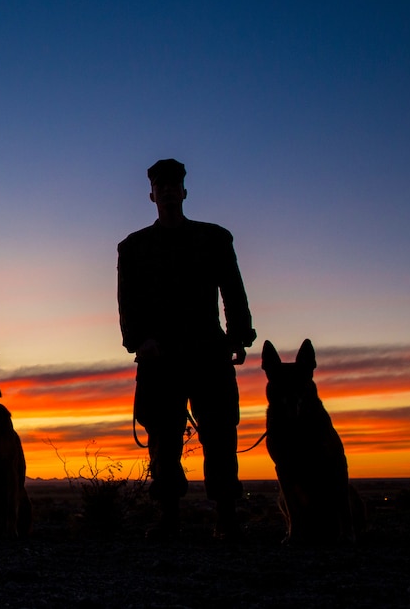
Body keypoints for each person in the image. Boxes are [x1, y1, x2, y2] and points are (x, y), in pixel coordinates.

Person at [117, 158, 256, 540]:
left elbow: (233, 290)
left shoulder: (214, 239)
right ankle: (168, 517)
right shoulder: (133, 248)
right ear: (152, 194)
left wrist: (239, 336)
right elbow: (127, 302)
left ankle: (226, 517)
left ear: (184, 191)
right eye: (161, 185)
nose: (167, 190)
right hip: (160, 357)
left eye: (174, 184)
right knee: (163, 438)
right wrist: (139, 341)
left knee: (220, 435)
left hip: (208, 352)